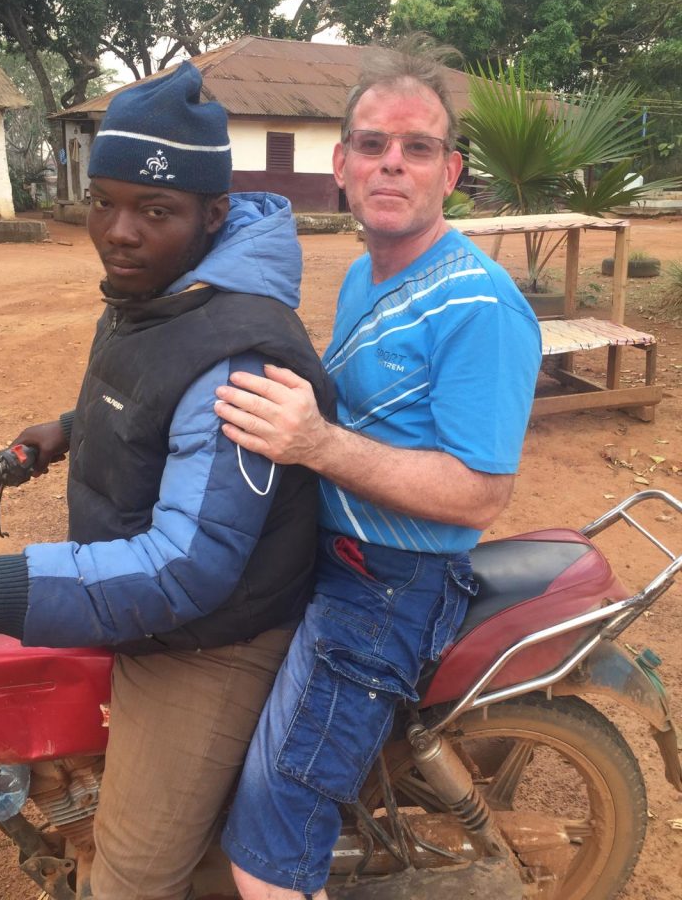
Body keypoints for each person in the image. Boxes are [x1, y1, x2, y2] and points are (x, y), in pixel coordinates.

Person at [0, 61, 333, 900]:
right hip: (164, 610)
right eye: (103, 201)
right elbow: (155, 397)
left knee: (130, 880)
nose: (119, 231)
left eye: (154, 210)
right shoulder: (168, 292)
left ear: (214, 213)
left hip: (216, 635)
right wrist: (67, 431)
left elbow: (189, 564)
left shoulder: (239, 348)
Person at [212, 44, 542, 899]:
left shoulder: (481, 306)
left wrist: (316, 445)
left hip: (388, 586)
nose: (391, 161)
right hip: (321, 550)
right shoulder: (366, 271)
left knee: (265, 851)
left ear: (450, 172)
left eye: (417, 147)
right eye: (372, 143)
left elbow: (481, 493)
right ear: (343, 165)